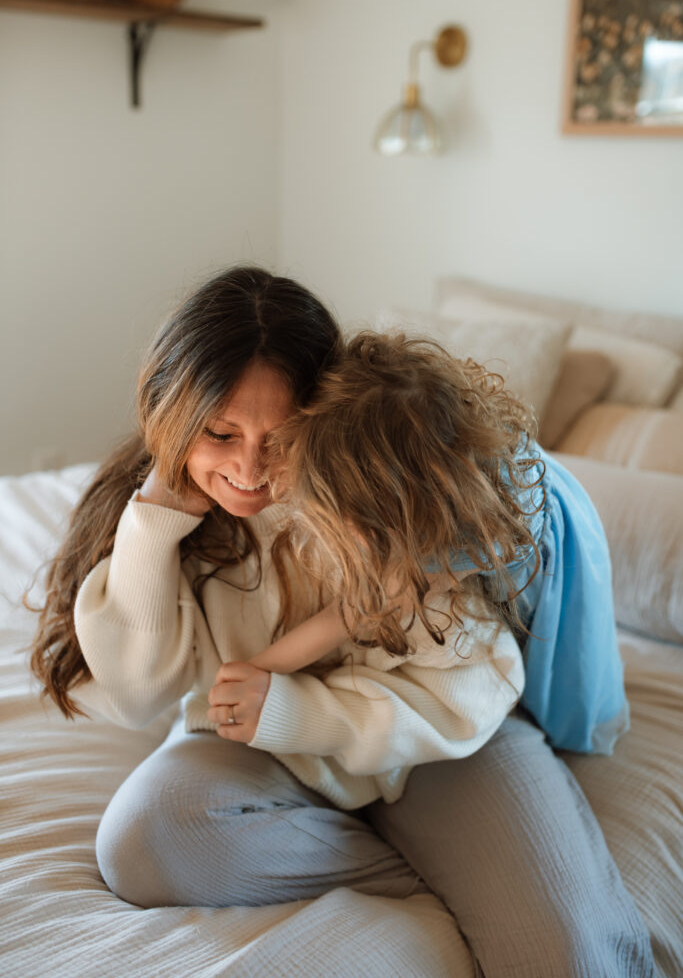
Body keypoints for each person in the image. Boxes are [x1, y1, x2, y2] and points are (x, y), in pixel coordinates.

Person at [29, 266, 654, 977]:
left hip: (435, 739)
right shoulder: (182, 522)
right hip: (257, 745)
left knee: (567, 950)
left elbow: (467, 686)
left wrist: (301, 712)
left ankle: (483, 882)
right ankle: (444, 881)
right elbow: (139, 692)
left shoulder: (392, 496)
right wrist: (154, 523)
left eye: (281, 435)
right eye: (217, 432)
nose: (249, 469)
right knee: (143, 843)